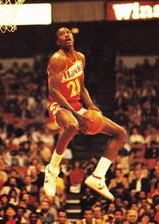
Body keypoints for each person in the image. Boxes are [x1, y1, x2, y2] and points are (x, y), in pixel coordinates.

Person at [44, 27, 127, 201]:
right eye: (61, 34)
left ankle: (98, 177)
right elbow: (52, 91)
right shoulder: (58, 59)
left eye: (68, 32)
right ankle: (52, 170)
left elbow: (81, 88)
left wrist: (91, 106)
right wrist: (76, 113)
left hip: (77, 106)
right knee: (72, 126)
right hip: (59, 106)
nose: (66, 35)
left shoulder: (80, 57)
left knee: (120, 133)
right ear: (57, 41)